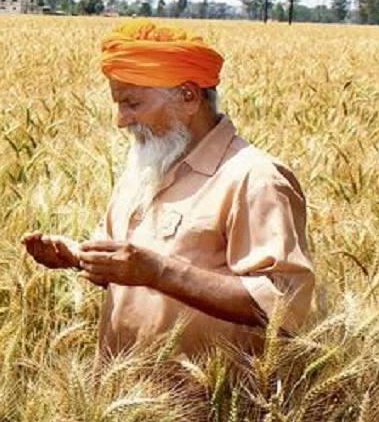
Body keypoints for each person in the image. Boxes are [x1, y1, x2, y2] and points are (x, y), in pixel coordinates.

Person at [22, 19, 314, 360]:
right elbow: (128, 264)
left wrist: (159, 272)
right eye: (118, 104)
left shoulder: (256, 178)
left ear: (188, 96)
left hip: (209, 405)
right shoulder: (147, 165)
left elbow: (283, 306)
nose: (120, 120)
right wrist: (76, 256)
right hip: (124, 395)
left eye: (132, 104)